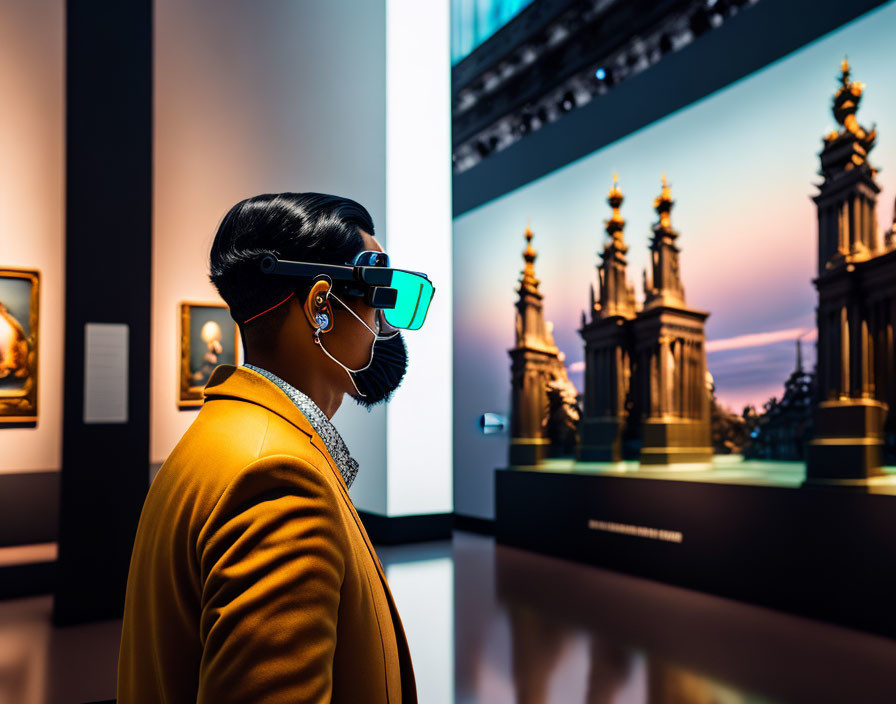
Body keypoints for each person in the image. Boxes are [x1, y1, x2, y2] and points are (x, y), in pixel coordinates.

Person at [117, 192, 434, 703]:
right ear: (320, 307)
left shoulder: (218, 437)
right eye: (376, 294)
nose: (383, 324)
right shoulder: (278, 481)